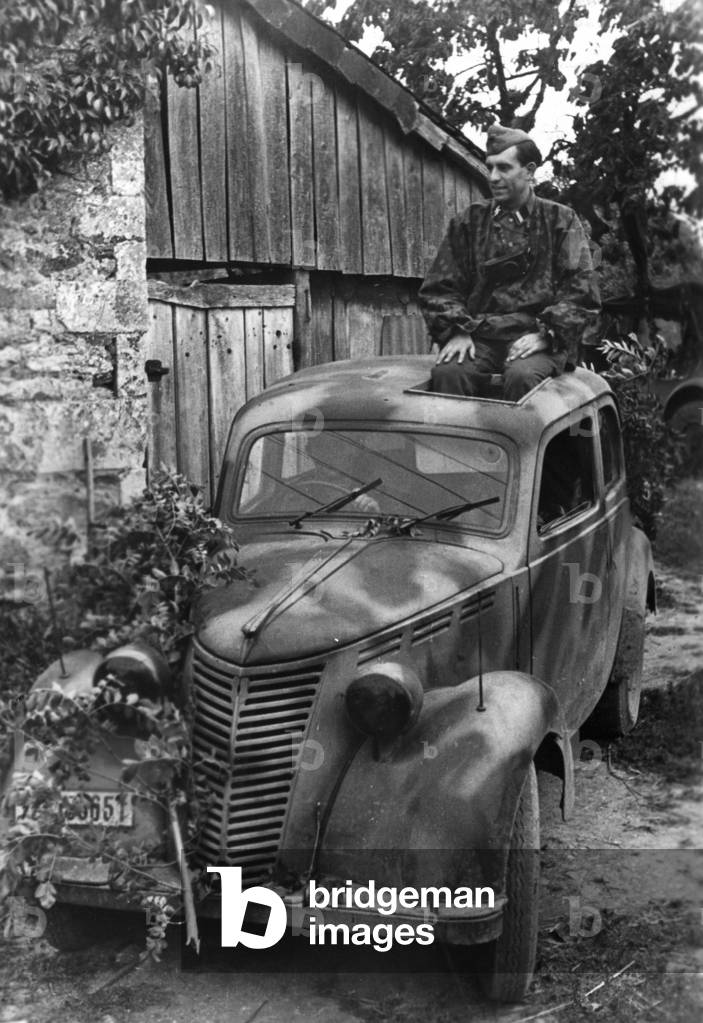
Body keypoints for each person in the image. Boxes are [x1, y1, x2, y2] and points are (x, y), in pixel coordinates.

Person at [418, 124, 600, 401]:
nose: (493, 177)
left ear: (529, 171)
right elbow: (440, 288)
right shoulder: (470, 222)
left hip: (539, 338)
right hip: (480, 336)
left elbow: (582, 292)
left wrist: (546, 335)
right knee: (449, 374)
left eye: (504, 168)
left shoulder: (561, 221)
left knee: (523, 377)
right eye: (490, 167)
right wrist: (456, 331)